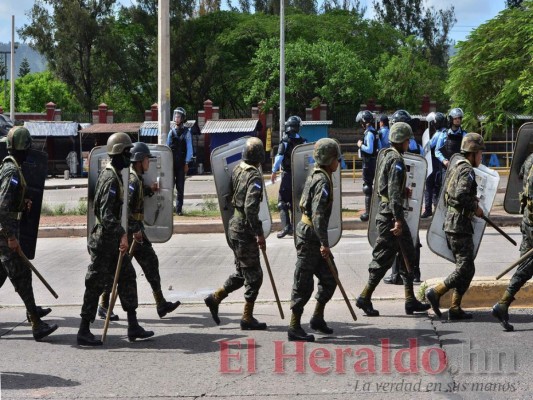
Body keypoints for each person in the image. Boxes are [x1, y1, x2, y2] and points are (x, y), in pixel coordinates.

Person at [78, 132, 154, 346]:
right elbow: (105, 213)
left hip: (110, 241)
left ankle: (133, 326)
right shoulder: (111, 178)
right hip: (104, 242)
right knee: (94, 284)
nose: (130, 157)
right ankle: (84, 330)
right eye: (127, 152)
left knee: (128, 276)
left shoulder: (116, 175)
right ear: (119, 153)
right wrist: (122, 234)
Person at [97, 142, 181, 321]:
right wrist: (134, 230)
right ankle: (104, 306)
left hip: (135, 231)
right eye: (146, 159)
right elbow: (125, 208)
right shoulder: (133, 180)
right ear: (139, 161)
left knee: (149, 262)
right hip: (130, 233)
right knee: (119, 271)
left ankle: (160, 303)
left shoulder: (136, 178)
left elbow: (137, 196)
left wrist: (151, 190)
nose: (148, 163)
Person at [355, 122, 430, 317]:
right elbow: (393, 193)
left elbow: (386, 186)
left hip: (388, 213)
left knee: (408, 255)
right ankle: (364, 297)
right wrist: (398, 220)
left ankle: (410, 300)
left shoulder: (387, 155)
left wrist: (402, 190)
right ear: (403, 141)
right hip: (390, 217)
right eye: (408, 140)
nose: (409, 144)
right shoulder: (396, 160)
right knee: (382, 260)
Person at [0, 127, 58, 341]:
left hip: (5, 233)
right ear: (22, 148)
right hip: (4, 235)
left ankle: (32, 310)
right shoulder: (12, 171)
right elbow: (2, 208)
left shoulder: (13, 167)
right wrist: (11, 237)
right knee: (22, 275)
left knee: (11, 274)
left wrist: (22, 203)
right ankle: (35, 322)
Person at [204, 137, 268, 330]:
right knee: (255, 276)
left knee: (243, 273)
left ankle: (215, 298)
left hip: (234, 226)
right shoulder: (254, 176)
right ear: (259, 156)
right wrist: (259, 233)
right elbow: (250, 208)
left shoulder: (238, 169)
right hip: (244, 230)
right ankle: (247, 318)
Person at [425, 133, 485, 321]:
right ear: (473, 153)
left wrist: (471, 199)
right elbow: (460, 195)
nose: (481, 157)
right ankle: (436, 292)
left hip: (454, 223)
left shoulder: (457, 166)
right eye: (480, 153)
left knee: (467, 267)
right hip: (459, 224)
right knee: (465, 267)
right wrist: (475, 207)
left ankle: (455, 307)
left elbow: (453, 194)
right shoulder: (467, 170)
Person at [288, 138, 341, 342]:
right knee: (303, 282)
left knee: (330, 277)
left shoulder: (321, 174)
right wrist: (324, 244)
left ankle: (317, 318)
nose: (339, 162)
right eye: (337, 158)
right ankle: (294, 327)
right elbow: (318, 216)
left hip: (313, 234)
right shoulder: (322, 181)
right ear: (329, 160)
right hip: (310, 235)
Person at [492, 153, 533, 331]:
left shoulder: (530, 158)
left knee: (525, 267)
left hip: (527, 221)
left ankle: (503, 304)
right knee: (526, 266)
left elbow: (520, 175)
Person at [271, 116, 307, 238]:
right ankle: (295, 228)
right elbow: (309, 159)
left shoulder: (285, 140)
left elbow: (279, 157)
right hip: (300, 176)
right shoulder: (303, 141)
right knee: (294, 203)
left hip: (287, 175)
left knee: (282, 202)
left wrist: (274, 170)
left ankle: (286, 227)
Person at [167, 107, 193, 216]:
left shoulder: (187, 132)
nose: (176, 118)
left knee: (180, 187)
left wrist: (187, 163)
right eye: (175, 116)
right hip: (171, 164)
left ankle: (178, 209)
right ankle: (168, 209)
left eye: (178, 116)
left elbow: (190, 148)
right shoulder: (171, 132)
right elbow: (167, 147)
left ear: (182, 118)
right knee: (169, 186)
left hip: (181, 164)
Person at [422, 112, 447, 219]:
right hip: (439, 164)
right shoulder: (445, 132)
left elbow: (428, 146)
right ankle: (436, 210)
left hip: (434, 163)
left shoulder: (438, 134)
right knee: (437, 187)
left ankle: (429, 210)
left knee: (430, 187)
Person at [356, 110, 379, 222]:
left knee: (367, 187)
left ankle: (368, 212)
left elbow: (370, 150)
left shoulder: (369, 134)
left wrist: (361, 145)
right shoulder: (374, 132)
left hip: (368, 162)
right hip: (373, 161)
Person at [435, 108, 467, 185]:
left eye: (459, 118)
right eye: (455, 118)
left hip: (460, 168)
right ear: (451, 119)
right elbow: (437, 150)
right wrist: (444, 161)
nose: (458, 120)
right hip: (446, 168)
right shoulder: (444, 134)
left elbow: (467, 151)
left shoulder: (465, 135)